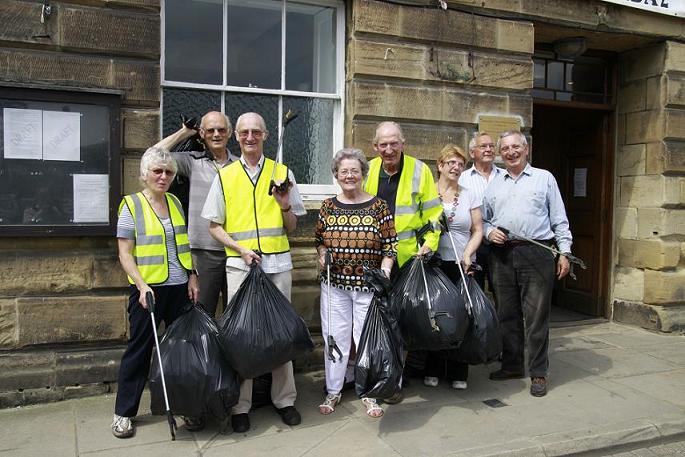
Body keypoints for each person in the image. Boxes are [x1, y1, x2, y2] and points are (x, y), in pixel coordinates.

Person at [203, 112, 306, 433]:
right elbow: (213, 226)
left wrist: (284, 204)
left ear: (265, 135)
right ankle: (241, 405)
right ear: (237, 136)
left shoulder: (282, 172)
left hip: (277, 265)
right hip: (241, 265)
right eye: (244, 132)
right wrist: (240, 249)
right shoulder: (226, 175)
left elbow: (292, 226)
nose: (250, 137)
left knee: (281, 334)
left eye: (256, 132)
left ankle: (285, 400)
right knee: (242, 336)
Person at [111, 147, 200, 438]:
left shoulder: (175, 202)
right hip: (148, 292)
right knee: (139, 351)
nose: (163, 177)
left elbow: (182, 246)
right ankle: (124, 413)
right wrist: (141, 285)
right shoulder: (131, 205)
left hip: (178, 289)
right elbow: (125, 254)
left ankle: (183, 405)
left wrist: (192, 276)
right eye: (157, 171)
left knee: (181, 352)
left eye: (169, 172)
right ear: (144, 175)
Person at [483, 130, 572, 397]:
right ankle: (511, 365)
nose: (510, 152)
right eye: (505, 149)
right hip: (502, 254)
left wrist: (564, 252)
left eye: (515, 147)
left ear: (526, 149)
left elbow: (559, 218)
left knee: (535, 317)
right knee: (506, 314)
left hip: (536, 252)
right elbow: (484, 219)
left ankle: (538, 373)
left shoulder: (544, 179)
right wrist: (489, 232)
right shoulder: (495, 183)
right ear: (501, 154)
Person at [363, 121, 443, 404]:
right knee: (374, 320)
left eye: (393, 143)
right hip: (373, 259)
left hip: (408, 259)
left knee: (401, 323)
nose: (388, 149)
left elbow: (435, 216)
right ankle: (374, 375)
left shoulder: (420, 171)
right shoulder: (368, 169)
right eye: (383, 144)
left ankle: (394, 381)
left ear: (403, 143)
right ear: (375, 147)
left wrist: (428, 246)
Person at [315, 148, 397, 418]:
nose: (349, 176)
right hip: (334, 285)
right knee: (335, 338)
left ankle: (370, 392)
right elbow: (319, 242)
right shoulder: (327, 206)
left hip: (368, 287)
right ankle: (334, 389)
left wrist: (385, 271)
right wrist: (322, 256)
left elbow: (390, 245)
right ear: (336, 175)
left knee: (366, 339)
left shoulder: (378, 206)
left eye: (354, 171)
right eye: (344, 171)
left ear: (363, 174)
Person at [154, 111, 238, 318]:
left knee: (237, 316)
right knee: (200, 315)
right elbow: (153, 156)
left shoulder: (240, 165)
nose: (216, 134)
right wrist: (184, 133)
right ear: (202, 133)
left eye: (221, 129)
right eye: (210, 130)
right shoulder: (193, 161)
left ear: (229, 133)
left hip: (236, 250)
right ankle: (202, 352)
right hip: (203, 252)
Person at [424, 144, 483, 390]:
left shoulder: (469, 194)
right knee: (435, 317)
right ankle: (433, 368)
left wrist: (469, 254)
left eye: (461, 164)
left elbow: (478, 229)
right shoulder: (427, 193)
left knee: (461, 318)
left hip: (461, 264)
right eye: (452, 163)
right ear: (440, 165)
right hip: (435, 264)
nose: (457, 168)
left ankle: (459, 370)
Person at [458, 132, 501, 291]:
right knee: (474, 291)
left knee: (504, 294)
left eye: (491, 146)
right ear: (471, 152)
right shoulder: (462, 179)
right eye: (483, 146)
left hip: (502, 244)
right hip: (473, 244)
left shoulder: (505, 176)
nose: (489, 149)